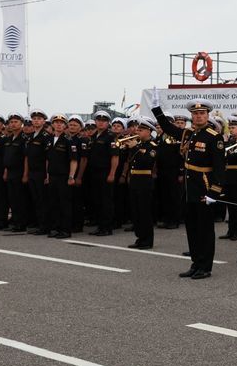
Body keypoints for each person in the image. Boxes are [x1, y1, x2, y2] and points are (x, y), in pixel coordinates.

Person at [152, 95, 226, 279]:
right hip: (190, 188)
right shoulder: (188, 134)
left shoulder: (213, 137)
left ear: (208, 115)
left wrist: (214, 192)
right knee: (192, 229)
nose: (199, 116)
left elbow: (219, 167)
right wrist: (157, 110)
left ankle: (205, 267)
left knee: (205, 230)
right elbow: (169, 128)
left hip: (204, 188)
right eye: (195, 114)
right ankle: (195, 263)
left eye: (202, 113)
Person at [125, 118, 159, 249]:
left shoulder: (152, 146)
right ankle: (140, 237)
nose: (137, 132)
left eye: (141, 130)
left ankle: (147, 240)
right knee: (136, 211)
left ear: (149, 132)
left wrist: (135, 148)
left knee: (145, 212)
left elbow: (146, 162)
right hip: (134, 180)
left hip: (145, 181)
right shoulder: (138, 145)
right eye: (138, 129)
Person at [44, 114, 79, 238]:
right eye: (56, 122)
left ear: (65, 126)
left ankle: (65, 230)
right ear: (52, 125)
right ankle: (55, 228)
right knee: (53, 203)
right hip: (52, 176)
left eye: (61, 123)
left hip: (64, 177)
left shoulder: (69, 140)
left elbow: (74, 161)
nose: (59, 124)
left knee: (65, 204)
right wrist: (47, 175)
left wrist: (71, 176)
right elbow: (48, 159)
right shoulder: (49, 139)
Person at [86, 110, 118, 236]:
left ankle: (106, 227)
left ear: (108, 123)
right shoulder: (93, 137)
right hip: (94, 173)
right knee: (97, 200)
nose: (100, 123)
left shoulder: (110, 137)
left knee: (106, 201)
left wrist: (112, 173)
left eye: (104, 121)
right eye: (98, 120)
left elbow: (115, 157)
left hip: (105, 172)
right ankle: (100, 226)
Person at [25, 110, 51, 233]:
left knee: (43, 200)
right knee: (35, 199)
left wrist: (47, 174)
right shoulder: (30, 136)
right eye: (34, 119)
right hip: (32, 172)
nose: (36, 121)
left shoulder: (46, 136)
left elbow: (48, 158)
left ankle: (45, 226)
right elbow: (27, 157)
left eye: (39, 119)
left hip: (41, 172)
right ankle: (38, 223)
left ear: (44, 121)